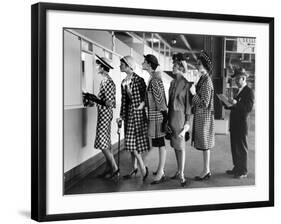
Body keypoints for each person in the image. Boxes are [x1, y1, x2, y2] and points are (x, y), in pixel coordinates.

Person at [83, 55, 119, 180]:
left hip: (105, 114)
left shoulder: (107, 82)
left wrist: (95, 99)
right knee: (106, 142)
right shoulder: (105, 81)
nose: (97, 67)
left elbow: (109, 102)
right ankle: (108, 168)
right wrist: (93, 98)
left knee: (102, 141)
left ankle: (114, 168)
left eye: (99, 65)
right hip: (104, 114)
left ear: (103, 68)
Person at [117, 55, 150, 181]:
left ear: (128, 66)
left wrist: (140, 107)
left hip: (139, 115)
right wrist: (121, 116)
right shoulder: (123, 82)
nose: (120, 66)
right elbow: (124, 101)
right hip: (129, 116)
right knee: (131, 144)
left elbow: (145, 98)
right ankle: (134, 167)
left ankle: (141, 167)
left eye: (122, 64)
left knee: (135, 144)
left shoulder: (139, 80)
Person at [142, 54, 168, 185]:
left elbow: (159, 100)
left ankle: (161, 172)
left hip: (158, 116)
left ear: (149, 64)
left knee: (160, 143)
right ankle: (160, 169)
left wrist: (164, 116)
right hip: (157, 115)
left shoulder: (154, 80)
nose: (142, 63)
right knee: (158, 143)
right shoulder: (154, 78)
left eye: (144, 62)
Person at [167, 53, 192, 187]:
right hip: (171, 116)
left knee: (181, 146)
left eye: (176, 65)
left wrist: (187, 121)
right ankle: (178, 170)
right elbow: (169, 102)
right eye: (173, 65)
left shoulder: (186, 84)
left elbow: (188, 105)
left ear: (181, 68)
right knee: (175, 145)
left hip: (181, 118)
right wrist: (167, 120)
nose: (173, 67)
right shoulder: (172, 82)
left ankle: (182, 173)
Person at [190, 50, 215, 181]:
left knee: (205, 145)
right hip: (202, 117)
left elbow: (204, 103)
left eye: (199, 64)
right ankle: (206, 169)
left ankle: (206, 170)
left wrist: (194, 94)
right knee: (205, 145)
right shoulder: (203, 79)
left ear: (204, 65)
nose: (196, 66)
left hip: (204, 117)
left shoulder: (207, 81)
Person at [225, 67, 254, 178]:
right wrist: (227, 104)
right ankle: (237, 167)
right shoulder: (239, 91)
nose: (236, 81)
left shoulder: (249, 92)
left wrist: (236, 103)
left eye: (237, 79)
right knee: (235, 147)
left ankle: (243, 171)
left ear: (243, 78)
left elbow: (248, 108)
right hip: (234, 124)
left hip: (242, 125)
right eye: (235, 79)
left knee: (241, 148)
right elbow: (235, 107)